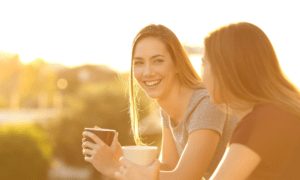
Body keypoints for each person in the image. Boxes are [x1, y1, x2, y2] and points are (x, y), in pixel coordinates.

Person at [114, 22, 300, 180]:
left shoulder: (261, 122)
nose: (201, 74)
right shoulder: (270, 116)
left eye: (205, 63)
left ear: (228, 70)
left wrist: (134, 173)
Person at [82, 24, 237, 179]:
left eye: (158, 61)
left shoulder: (206, 104)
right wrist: (120, 157)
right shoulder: (166, 109)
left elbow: (187, 177)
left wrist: (115, 168)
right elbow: (170, 166)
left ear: (177, 64)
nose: (147, 72)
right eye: (139, 63)